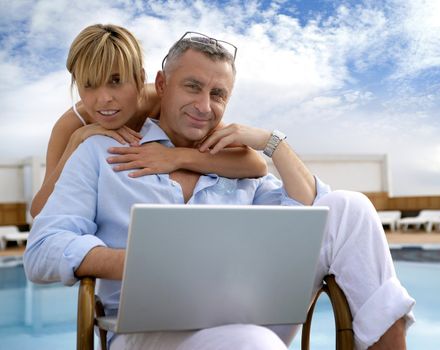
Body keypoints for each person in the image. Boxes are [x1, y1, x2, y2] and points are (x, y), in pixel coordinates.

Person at [24, 30, 415, 350]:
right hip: (151, 331)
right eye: (192, 87)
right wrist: (134, 261)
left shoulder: (234, 161)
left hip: (251, 314)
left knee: (350, 207)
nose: (204, 106)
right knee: (252, 343)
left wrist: (271, 142)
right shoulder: (98, 152)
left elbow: (310, 208)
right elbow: (43, 248)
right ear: (161, 86)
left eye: (218, 94)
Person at [29, 24, 267, 218]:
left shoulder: (166, 102)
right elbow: (41, 212)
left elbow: (255, 165)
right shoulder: (73, 124)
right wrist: (76, 141)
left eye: (115, 81)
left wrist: (177, 157)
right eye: (88, 84)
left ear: (140, 78)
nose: (104, 99)